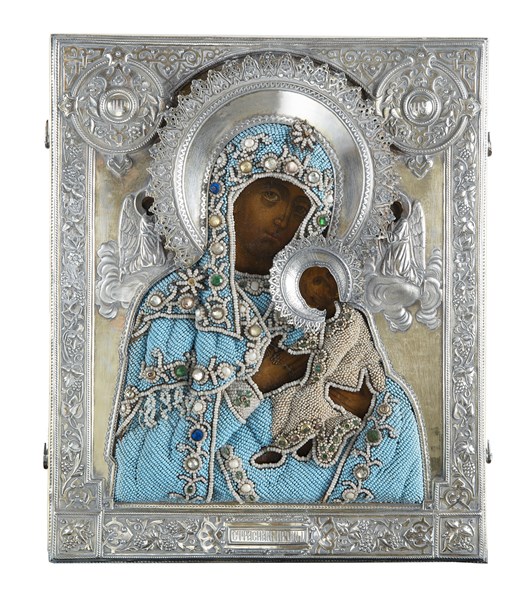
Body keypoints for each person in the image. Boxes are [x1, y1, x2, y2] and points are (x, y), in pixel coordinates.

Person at [108, 119, 425, 504]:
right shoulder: (177, 304)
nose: (283, 219)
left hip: (330, 507)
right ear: (227, 195)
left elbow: (372, 396)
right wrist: (255, 385)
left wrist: (364, 404)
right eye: (271, 196)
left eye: (300, 207)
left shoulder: (321, 305)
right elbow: (143, 465)